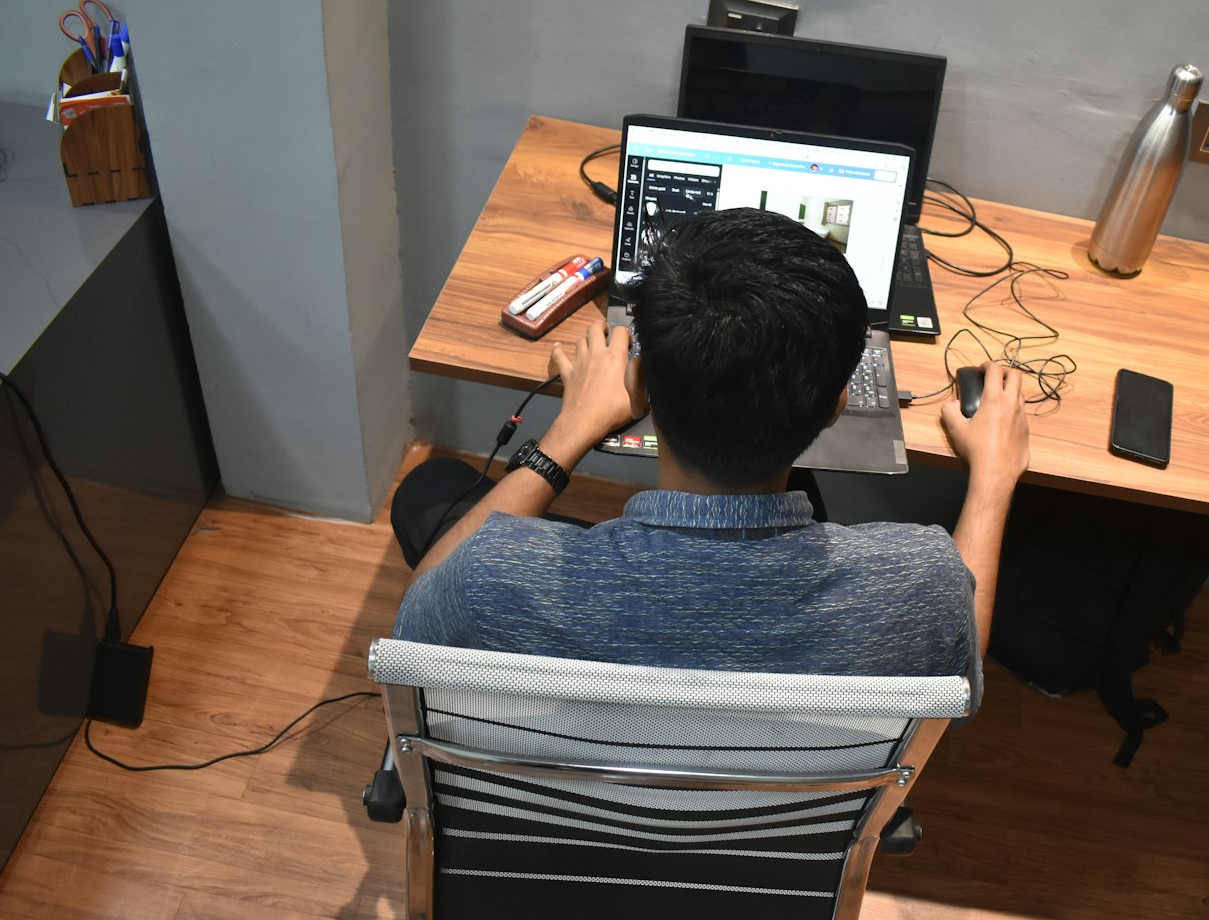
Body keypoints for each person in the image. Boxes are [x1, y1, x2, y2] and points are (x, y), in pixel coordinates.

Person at [391, 207, 1030, 702]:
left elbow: (415, 626)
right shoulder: (919, 582)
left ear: (640, 387)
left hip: (590, 825)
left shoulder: (499, 576)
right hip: (767, 849)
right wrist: (994, 481)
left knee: (432, 490)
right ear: (837, 405)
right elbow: (960, 670)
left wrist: (568, 432)